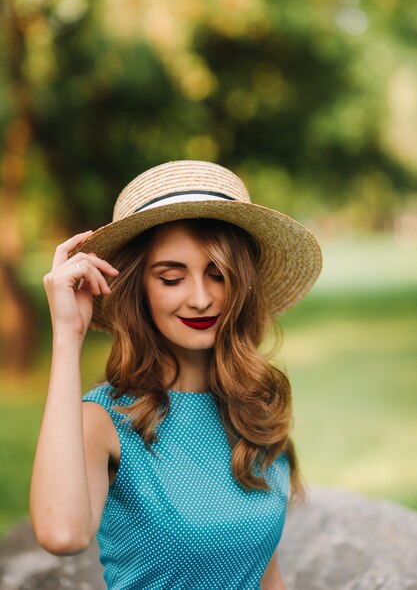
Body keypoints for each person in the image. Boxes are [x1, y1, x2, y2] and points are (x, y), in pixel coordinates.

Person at [30, 160, 322, 589]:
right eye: (171, 278)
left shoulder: (254, 405)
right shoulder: (105, 419)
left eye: (218, 274)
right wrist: (67, 337)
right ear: (138, 288)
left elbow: (264, 573)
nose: (201, 298)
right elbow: (62, 534)